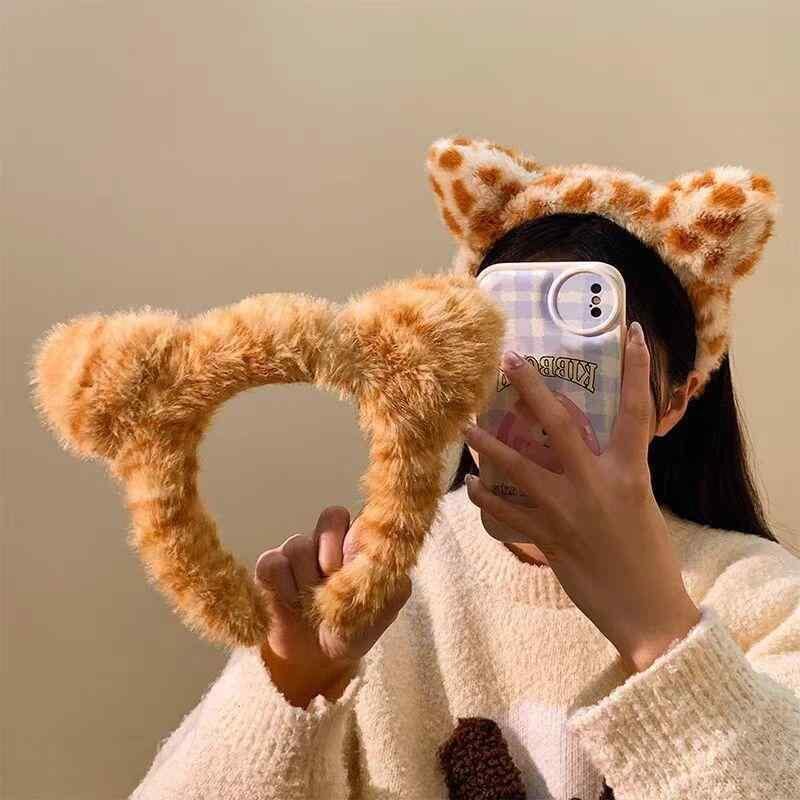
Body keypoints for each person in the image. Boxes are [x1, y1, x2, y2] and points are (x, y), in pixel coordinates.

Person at [130, 142, 800, 800]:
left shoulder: (763, 598)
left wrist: (661, 633)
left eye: (581, 367)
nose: (541, 402)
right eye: (506, 360)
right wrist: (294, 676)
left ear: (676, 400)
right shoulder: (382, 584)